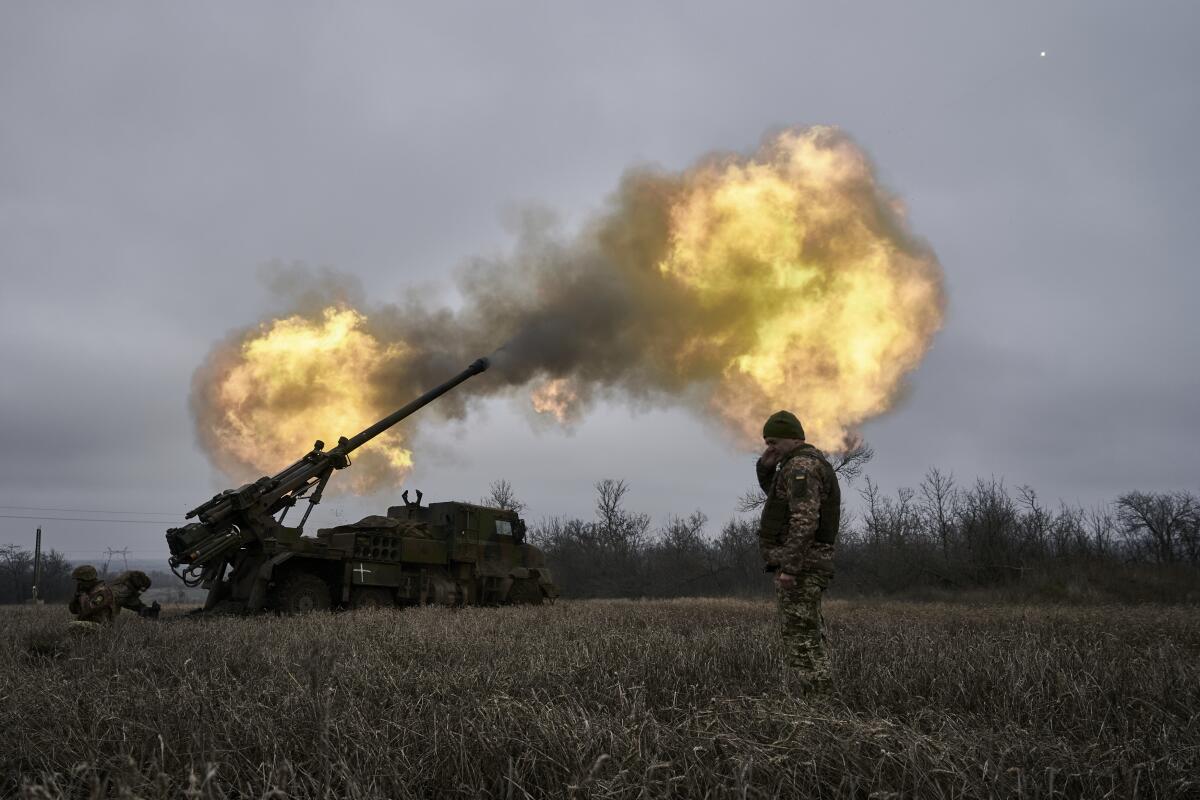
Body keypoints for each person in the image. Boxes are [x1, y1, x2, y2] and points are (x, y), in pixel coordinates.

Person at [756, 410, 841, 696]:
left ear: (794, 439)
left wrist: (790, 568)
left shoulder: (800, 467)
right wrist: (765, 469)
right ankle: (820, 699)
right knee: (808, 634)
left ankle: (820, 706)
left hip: (803, 567)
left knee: (800, 638)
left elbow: (804, 521)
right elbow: (780, 500)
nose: (770, 448)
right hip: (808, 564)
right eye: (767, 443)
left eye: (773, 442)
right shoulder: (799, 465)